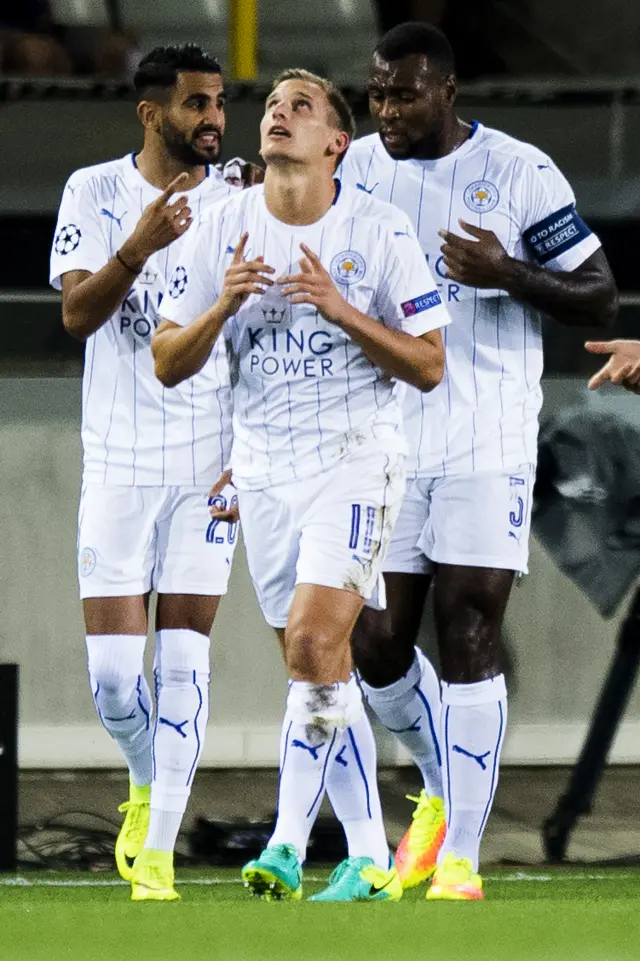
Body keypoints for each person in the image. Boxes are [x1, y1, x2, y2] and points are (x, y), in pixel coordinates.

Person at [152, 67, 451, 903]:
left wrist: (338, 305)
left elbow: (429, 363)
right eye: (274, 105)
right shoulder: (222, 228)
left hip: (357, 458)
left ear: (335, 143)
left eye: (302, 107)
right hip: (266, 473)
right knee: (314, 670)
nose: (279, 115)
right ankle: (365, 849)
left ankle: (285, 841)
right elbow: (167, 362)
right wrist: (222, 307)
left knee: (319, 647)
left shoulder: (377, 229)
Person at [337, 22, 619, 901]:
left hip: (486, 439)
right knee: (375, 644)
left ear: (448, 91)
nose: (386, 109)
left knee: (468, 633)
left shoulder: (522, 173)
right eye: (377, 93)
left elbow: (598, 291)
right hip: (389, 441)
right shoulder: (359, 172)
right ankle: (438, 778)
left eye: (403, 94)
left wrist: (507, 272)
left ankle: (459, 851)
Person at [49, 43, 247, 902]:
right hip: (120, 462)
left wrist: (248, 456)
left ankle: (159, 847)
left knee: (183, 660)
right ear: (150, 112)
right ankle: (143, 779)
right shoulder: (93, 191)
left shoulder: (244, 202)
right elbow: (76, 315)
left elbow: (258, 335)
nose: (212, 120)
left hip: (209, 464)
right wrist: (137, 245)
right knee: (113, 681)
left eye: (219, 104)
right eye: (196, 104)